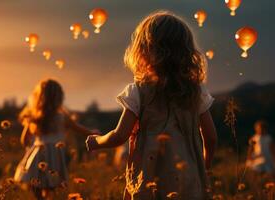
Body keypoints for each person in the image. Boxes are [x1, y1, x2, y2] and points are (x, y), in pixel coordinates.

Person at [86, 11, 218, 199]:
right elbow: (211, 137)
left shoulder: (138, 92)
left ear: (144, 50)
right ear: (186, 52)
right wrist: (204, 165)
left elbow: (119, 135)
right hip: (189, 175)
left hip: (151, 175)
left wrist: (96, 142)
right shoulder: (195, 92)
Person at [14, 79, 96, 200]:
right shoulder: (62, 117)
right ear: (59, 98)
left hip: (37, 154)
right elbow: (79, 129)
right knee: (52, 185)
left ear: (39, 97)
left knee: (35, 183)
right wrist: (93, 133)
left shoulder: (35, 118)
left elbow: (24, 140)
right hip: (56, 156)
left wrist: (31, 146)